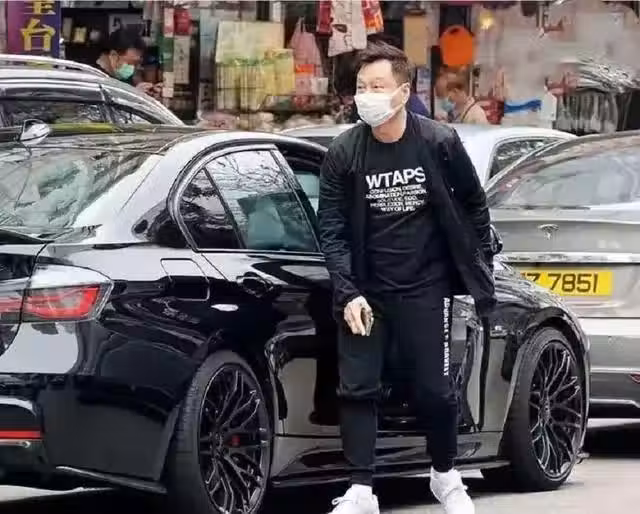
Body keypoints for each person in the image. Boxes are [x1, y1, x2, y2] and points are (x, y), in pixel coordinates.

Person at [317, 41, 496, 514]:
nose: (366, 96)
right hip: (366, 291)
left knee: (435, 390)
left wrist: (478, 261)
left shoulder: (438, 142)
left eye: (377, 86)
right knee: (357, 387)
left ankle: (445, 474)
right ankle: (361, 489)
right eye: (361, 87)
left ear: (402, 92)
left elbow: (474, 204)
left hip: (425, 287)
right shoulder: (345, 152)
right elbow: (331, 228)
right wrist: (347, 291)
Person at [94, 27, 156, 94]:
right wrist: (134, 93)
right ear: (114, 55)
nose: (135, 68)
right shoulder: (95, 81)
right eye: (130, 63)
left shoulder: (121, 77)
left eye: (137, 64)